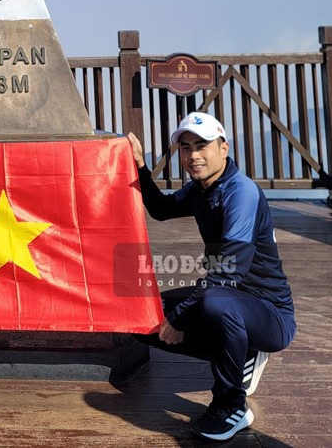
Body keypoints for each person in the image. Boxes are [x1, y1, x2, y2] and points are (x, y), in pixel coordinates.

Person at [127, 112, 296, 442]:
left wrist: (178, 319)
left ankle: (232, 405)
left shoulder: (241, 193)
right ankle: (241, 352)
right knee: (141, 316)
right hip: (231, 300)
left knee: (215, 302)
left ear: (224, 148)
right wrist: (141, 168)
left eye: (202, 146)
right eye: (186, 148)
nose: (193, 156)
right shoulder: (201, 189)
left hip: (270, 312)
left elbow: (226, 272)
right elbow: (161, 209)